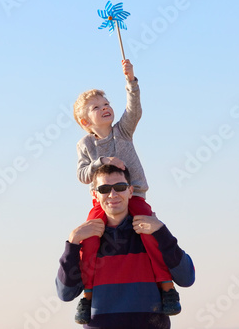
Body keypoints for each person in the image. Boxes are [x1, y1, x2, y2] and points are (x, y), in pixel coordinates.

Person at [72, 59, 180, 324]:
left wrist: (131, 81)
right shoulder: (86, 144)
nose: (105, 108)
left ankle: (167, 288)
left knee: (150, 235)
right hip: (103, 202)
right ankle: (87, 296)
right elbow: (82, 174)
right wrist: (102, 162)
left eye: (106, 103)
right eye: (96, 107)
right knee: (90, 240)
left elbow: (134, 110)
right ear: (86, 120)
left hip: (137, 196)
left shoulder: (123, 130)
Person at [55, 165, 195, 329]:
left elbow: (187, 278)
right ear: (95, 194)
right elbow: (65, 293)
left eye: (120, 187)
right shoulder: (87, 240)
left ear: (130, 191)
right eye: (104, 189)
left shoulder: (151, 232)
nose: (112, 194)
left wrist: (162, 232)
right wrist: (72, 243)